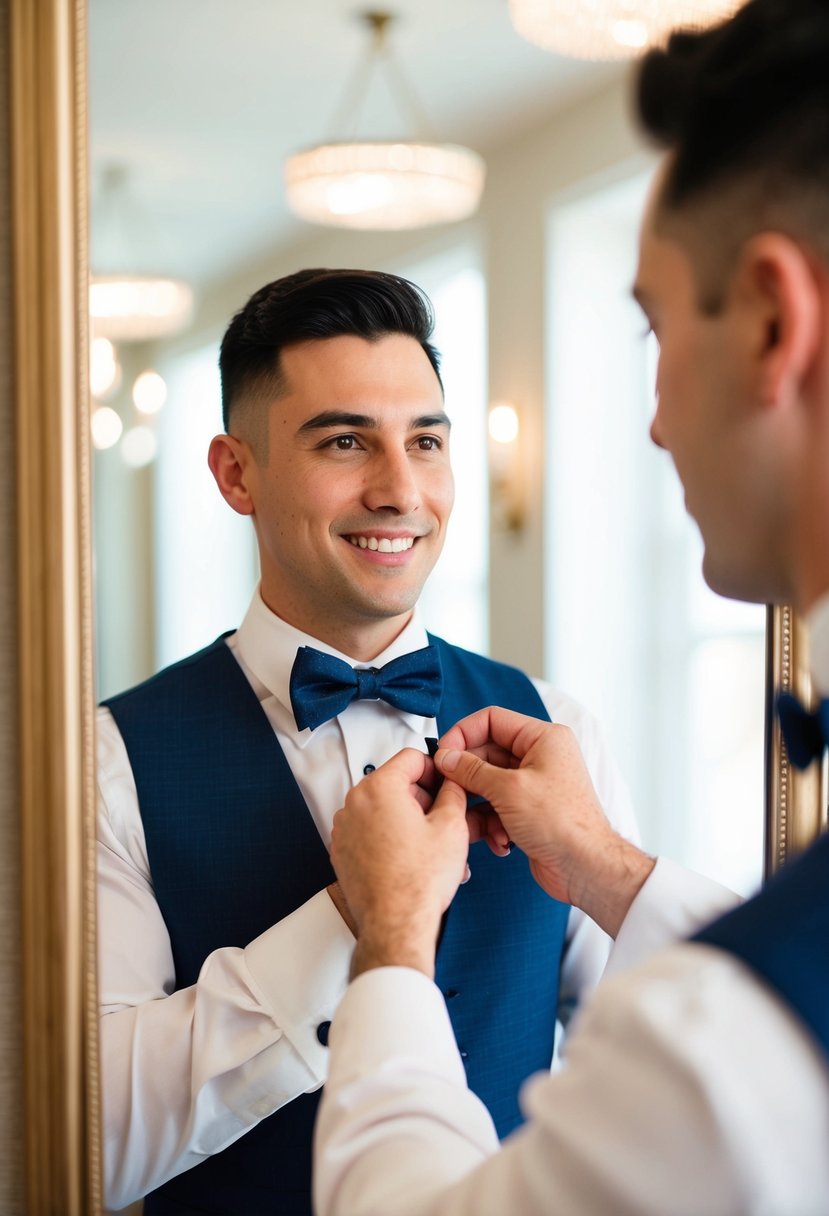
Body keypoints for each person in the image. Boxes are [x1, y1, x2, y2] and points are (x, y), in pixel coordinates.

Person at [313, 1, 829, 1212]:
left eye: (653, 326)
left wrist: (390, 943)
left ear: (768, 320)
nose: (652, 419)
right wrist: (599, 863)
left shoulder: (721, 1044)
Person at [97, 267, 668, 1214]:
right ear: (237, 473)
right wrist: (349, 915)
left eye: (426, 441)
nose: (400, 490)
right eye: (345, 441)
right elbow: (89, 1141)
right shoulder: (107, 764)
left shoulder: (558, 729)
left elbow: (647, 1075)